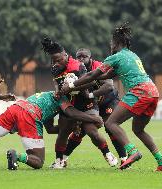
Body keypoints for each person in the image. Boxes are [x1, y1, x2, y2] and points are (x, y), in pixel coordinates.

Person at [60, 23, 162, 171]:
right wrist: (87, 81)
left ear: (117, 43)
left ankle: (132, 152)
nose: (110, 45)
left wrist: (72, 85)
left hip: (139, 91)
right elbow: (107, 75)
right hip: (153, 92)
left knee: (111, 124)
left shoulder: (116, 57)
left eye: (111, 43)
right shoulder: (132, 55)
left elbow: (94, 74)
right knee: (138, 129)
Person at [41, 38, 117, 169]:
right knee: (63, 132)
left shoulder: (77, 66)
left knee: (91, 131)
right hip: (70, 104)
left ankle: (108, 154)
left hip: (87, 103)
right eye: (53, 61)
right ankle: (59, 161)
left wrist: (71, 86)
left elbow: (91, 82)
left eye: (59, 60)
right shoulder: (56, 68)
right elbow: (56, 82)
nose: (56, 63)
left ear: (65, 55)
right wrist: (58, 91)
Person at [63, 48, 127, 166]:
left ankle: (124, 159)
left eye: (84, 56)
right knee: (81, 131)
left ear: (90, 58)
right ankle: (63, 159)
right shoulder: (75, 70)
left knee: (110, 126)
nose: (81, 59)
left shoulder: (98, 65)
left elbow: (109, 86)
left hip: (108, 100)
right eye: (79, 57)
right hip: (92, 103)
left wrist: (91, 95)